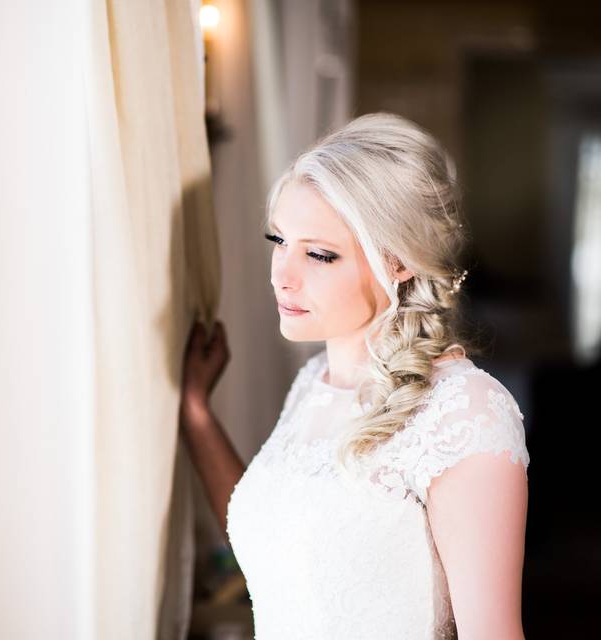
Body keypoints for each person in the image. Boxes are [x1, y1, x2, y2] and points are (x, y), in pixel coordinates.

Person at [179, 112, 530, 639]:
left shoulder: (465, 412)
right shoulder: (313, 383)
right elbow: (282, 548)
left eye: (320, 254)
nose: (283, 275)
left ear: (398, 261)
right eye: (279, 241)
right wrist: (198, 415)